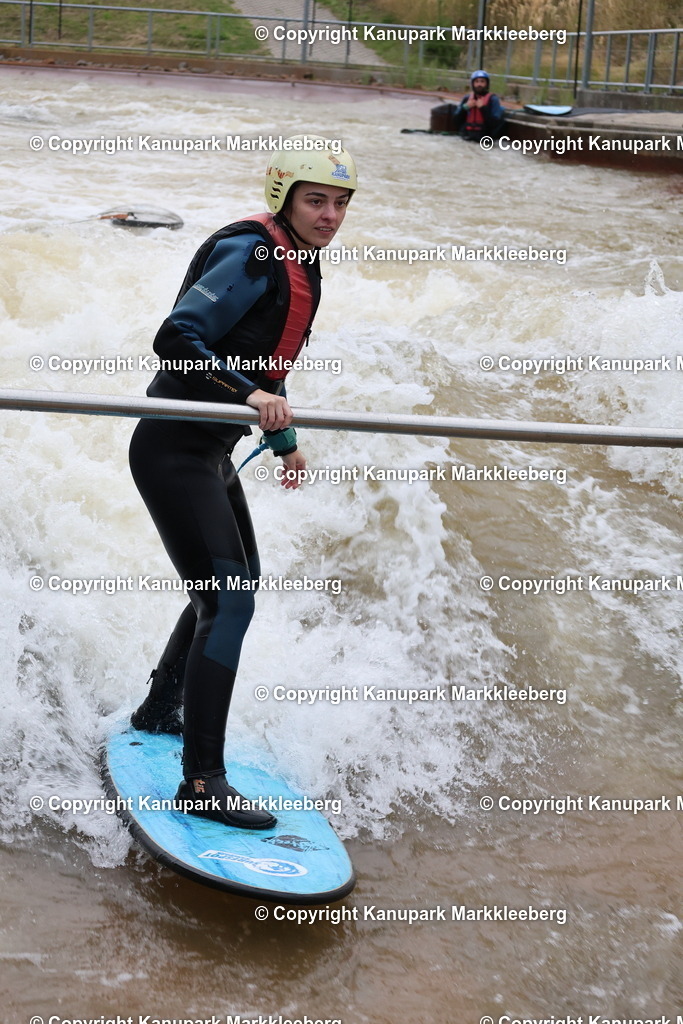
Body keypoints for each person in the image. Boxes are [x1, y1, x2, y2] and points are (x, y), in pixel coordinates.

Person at [128, 135, 357, 830]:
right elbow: (176, 337)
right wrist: (247, 397)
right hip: (172, 449)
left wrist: (282, 438)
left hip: (210, 453)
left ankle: (159, 709)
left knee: (229, 590)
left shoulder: (301, 264)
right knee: (228, 600)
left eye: (340, 203)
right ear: (282, 198)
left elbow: (268, 357)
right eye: (315, 200)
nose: (329, 214)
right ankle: (202, 781)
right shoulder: (252, 252)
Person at [451, 70, 505, 141]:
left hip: (485, 138)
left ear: (487, 84)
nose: (479, 84)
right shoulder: (467, 98)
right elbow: (456, 121)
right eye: (476, 82)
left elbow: (495, 124)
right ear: (473, 84)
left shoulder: (493, 99)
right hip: (467, 136)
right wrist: (465, 108)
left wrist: (483, 108)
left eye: (482, 81)